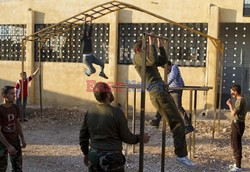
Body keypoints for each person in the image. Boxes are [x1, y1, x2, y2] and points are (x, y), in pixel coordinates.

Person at [132, 33, 195, 168]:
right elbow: (153, 60)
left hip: (162, 90)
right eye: (146, 48)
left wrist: (160, 46)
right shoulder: (137, 57)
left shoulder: (147, 58)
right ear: (139, 50)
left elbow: (163, 60)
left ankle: (182, 155)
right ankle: (181, 155)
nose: (148, 50)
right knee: (177, 122)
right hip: (157, 91)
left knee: (177, 119)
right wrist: (152, 42)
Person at [79, 82, 150, 171]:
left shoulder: (89, 112)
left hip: (94, 157)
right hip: (111, 158)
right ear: (108, 95)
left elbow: (83, 137)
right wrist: (141, 138)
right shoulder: (117, 113)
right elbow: (127, 137)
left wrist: (86, 154)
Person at [150, 61, 195, 134]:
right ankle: (157, 120)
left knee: (178, 107)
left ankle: (188, 125)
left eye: (166, 68)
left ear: (169, 65)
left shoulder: (174, 67)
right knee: (162, 103)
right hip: (170, 90)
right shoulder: (168, 71)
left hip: (176, 90)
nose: (165, 70)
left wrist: (165, 84)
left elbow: (172, 77)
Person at [0, 86, 26, 171]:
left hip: (15, 140)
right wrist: (8, 146)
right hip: (2, 142)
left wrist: (22, 138)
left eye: (14, 93)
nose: (14, 95)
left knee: (18, 168)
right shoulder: (0, 110)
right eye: (11, 93)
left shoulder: (15, 107)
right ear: (4, 96)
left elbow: (17, 123)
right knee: (2, 168)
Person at [226, 84, 247, 172]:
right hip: (238, 123)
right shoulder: (241, 99)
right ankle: (237, 164)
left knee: (236, 144)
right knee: (235, 143)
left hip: (237, 124)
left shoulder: (239, 100)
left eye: (232, 92)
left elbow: (233, 113)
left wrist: (230, 105)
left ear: (236, 91)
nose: (232, 94)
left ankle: (238, 167)